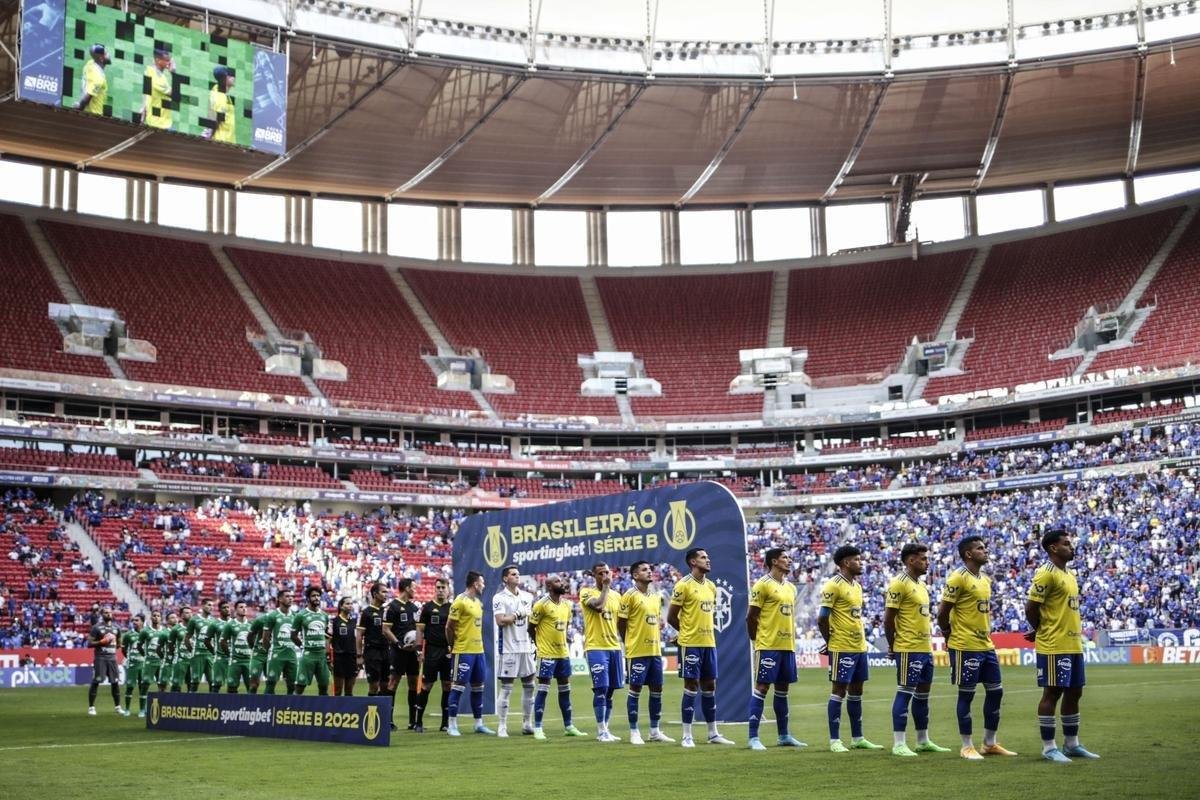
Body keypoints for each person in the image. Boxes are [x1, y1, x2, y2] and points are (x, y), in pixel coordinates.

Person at [937, 535, 1017, 760]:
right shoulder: (957, 578)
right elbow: (942, 613)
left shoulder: (985, 579)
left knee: (996, 691)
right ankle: (966, 746)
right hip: (964, 646)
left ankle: (989, 743)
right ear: (968, 554)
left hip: (986, 645)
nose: (986, 551)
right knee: (967, 695)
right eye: (981, 548)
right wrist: (948, 635)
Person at [1025, 529, 1100, 762]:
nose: (1071, 546)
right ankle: (1049, 748)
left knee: (1075, 692)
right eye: (1066, 544)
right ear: (1053, 548)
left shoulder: (1069, 574)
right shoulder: (1045, 573)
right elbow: (1031, 607)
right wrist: (1040, 629)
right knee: (1052, 692)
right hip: (1054, 644)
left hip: (1073, 643)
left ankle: (1072, 744)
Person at [883, 543, 951, 757]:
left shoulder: (921, 585)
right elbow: (888, 618)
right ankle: (899, 743)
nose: (927, 562)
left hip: (924, 648)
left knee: (923, 696)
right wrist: (892, 645)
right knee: (905, 693)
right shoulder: (898, 584)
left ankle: (923, 740)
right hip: (907, 648)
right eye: (922, 559)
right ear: (911, 560)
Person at [818, 545, 882, 752]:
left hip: (859, 646)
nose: (860, 562)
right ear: (846, 563)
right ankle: (835, 740)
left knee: (857, 691)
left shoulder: (856, 586)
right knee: (839, 691)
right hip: (841, 646)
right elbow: (822, 618)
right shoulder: (833, 585)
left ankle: (857, 738)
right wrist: (830, 642)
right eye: (857, 559)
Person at [667, 547, 734, 747]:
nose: (708, 560)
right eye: (704, 557)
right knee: (691, 686)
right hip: (691, 644)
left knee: (710, 686)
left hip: (709, 643)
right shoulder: (683, 585)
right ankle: (687, 735)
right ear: (693, 562)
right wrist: (685, 633)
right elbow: (671, 617)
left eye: (708, 557)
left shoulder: (712, 587)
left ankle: (713, 733)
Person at [746, 548, 805, 750]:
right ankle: (753, 737)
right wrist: (758, 641)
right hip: (768, 645)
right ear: (774, 561)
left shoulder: (791, 587)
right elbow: (751, 616)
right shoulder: (762, 585)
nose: (789, 560)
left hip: (787, 646)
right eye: (785, 558)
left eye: (789, 557)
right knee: (762, 687)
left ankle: (784, 735)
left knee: (783, 690)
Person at [618, 560, 673, 745]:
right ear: (635, 575)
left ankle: (654, 731)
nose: (649, 571)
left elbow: (655, 621)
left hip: (655, 650)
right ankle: (634, 731)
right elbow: (622, 623)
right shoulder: (629, 596)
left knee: (657, 689)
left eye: (650, 569)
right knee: (635, 689)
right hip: (637, 651)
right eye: (644, 569)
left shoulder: (656, 596)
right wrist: (630, 642)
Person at [529, 574, 586, 740]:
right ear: (548, 586)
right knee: (543, 690)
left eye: (561, 581)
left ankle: (569, 726)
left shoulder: (567, 605)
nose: (561, 583)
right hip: (546, 653)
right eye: (557, 581)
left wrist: (565, 637)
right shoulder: (541, 605)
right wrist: (538, 645)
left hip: (563, 654)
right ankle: (538, 727)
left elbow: (566, 626)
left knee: (565, 690)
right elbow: (531, 628)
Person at [445, 571, 495, 736]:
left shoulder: (478, 602)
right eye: (482, 582)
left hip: (478, 652)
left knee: (478, 688)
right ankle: (452, 725)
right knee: (458, 687)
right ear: (475, 584)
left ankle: (478, 724)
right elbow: (449, 627)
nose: (484, 585)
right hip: (463, 651)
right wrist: (453, 645)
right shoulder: (460, 601)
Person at [580, 561, 624, 742]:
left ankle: (606, 728)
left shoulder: (617, 596)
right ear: (594, 576)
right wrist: (605, 588)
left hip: (614, 647)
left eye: (608, 572)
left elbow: (621, 622)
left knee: (611, 690)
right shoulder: (586, 592)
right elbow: (598, 606)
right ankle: (600, 731)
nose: (606, 576)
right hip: (596, 647)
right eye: (601, 573)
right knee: (601, 688)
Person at [492, 565, 535, 737]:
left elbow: (531, 621)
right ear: (505, 578)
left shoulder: (527, 596)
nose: (517, 576)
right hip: (509, 648)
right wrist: (518, 613)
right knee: (507, 687)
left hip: (526, 647)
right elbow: (501, 621)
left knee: (530, 686)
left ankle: (527, 723)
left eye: (518, 574)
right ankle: (502, 726)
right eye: (513, 574)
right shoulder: (499, 597)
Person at [384, 578, 422, 729]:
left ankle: (412, 721)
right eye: (413, 588)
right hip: (398, 651)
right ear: (406, 588)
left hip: (412, 653)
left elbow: (418, 630)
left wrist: (418, 647)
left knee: (413, 683)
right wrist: (398, 643)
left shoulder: (414, 607)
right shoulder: (392, 606)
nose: (415, 590)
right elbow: (385, 629)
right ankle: (388, 721)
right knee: (393, 682)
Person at [416, 578, 452, 732]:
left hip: (448, 651)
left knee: (447, 685)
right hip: (432, 651)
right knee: (427, 685)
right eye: (438, 587)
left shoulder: (452, 608)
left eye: (443, 587)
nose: (440, 590)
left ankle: (445, 723)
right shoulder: (428, 608)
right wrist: (419, 649)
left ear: (448, 589)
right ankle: (418, 722)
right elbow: (420, 630)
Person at [251, 589, 298, 695]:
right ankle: (266, 708)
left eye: (292, 596)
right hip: (276, 654)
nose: (290, 598)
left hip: (291, 655)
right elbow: (265, 637)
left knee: (292, 685)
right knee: (271, 683)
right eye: (287, 596)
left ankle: (289, 709)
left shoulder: (295, 616)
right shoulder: (272, 616)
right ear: (280, 599)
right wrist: (271, 650)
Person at [292, 586, 331, 696]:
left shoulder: (324, 615)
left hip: (321, 655)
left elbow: (327, 636)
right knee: (300, 686)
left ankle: (322, 711)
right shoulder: (301, 615)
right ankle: (293, 709)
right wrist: (302, 645)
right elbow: (293, 635)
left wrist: (327, 653)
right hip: (308, 655)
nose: (316, 598)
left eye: (318, 596)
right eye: (313, 596)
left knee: (324, 687)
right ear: (308, 598)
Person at [86, 605, 122, 716]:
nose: (108, 614)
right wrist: (101, 642)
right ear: (102, 615)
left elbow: (119, 643)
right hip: (100, 658)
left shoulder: (117, 628)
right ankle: (91, 707)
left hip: (112, 658)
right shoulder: (96, 627)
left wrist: (111, 647)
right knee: (96, 681)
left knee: (115, 682)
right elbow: (89, 643)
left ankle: (118, 707)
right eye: (106, 612)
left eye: (109, 612)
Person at [357, 581, 389, 699]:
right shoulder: (367, 612)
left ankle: (382, 715)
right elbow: (359, 634)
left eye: (387, 592)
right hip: (372, 652)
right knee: (374, 685)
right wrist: (359, 655)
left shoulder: (387, 611)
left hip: (386, 651)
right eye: (383, 592)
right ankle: (371, 715)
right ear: (375, 594)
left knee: (385, 685)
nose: (386, 594)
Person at [185, 598, 218, 692]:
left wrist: (214, 652)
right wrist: (192, 651)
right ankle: (192, 704)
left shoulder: (214, 621)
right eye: (209, 605)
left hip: (210, 655)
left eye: (212, 605)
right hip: (198, 655)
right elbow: (187, 638)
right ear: (203, 606)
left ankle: (212, 704)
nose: (211, 607)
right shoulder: (194, 620)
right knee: (195, 681)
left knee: (212, 681)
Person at [220, 601, 254, 693]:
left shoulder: (251, 625)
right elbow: (222, 641)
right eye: (241, 607)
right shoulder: (230, 625)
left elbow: (254, 642)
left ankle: (250, 707)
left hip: (249, 661)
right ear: (235, 610)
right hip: (235, 661)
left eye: (245, 607)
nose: (244, 609)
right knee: (231, 688)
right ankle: (230, 707)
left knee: (252, 688)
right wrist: (229, 654)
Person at [139, 47, 174, 130]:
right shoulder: (158, 78)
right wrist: (174, 74)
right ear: (158, 60)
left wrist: (143, 110)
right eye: (166, 60)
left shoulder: (149, 71)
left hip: (154, 121)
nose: (169, 62)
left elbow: (146, 93)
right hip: (160, 124)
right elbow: (175, 95)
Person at [119, 614, 146, 718]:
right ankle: (127, 709)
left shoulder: (147, 633)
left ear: (142, 622)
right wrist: (131, 658)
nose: (134, 622)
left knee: (143, 687)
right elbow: (124, 650)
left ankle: (143, 710)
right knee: (130, 686)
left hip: (143, 665)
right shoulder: (128, 635)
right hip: (132, 665)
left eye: (137, 620)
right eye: (133, 620)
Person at [330, 596, 358, 697]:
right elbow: (328, 640)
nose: (350, 606)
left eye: (351, 603)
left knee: (349, 690)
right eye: (347, 603)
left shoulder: (355, 622)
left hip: (352, 658)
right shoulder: (334, 622)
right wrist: (329, 658)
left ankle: (348, 712)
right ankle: (336, 711)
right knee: (337, 690)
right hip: (339, 658)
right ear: (341, 606)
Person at [205, 600, 232, 692]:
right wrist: (214, 652)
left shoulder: (235, 623)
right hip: (220, 658)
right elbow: (207, 641)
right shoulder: (214, 624)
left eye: (228, 607)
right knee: (216, 684)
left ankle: (231, 705)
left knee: (232, 684)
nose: (227, 609)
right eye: (224, 608)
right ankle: (213, 705)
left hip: (234, 658)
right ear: (219, 610)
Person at [203, 66, 235, 143]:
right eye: (230, 76)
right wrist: (208, 134)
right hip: (223, 141)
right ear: (225, 79)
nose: (233, 77)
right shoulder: (220, 97)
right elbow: (214, 120)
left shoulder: (217, 89)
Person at [140, 610, 166, 699]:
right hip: (150, 661)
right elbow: (139, 645)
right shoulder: (145, 631)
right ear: (151, 617)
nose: (156, 617)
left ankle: (162, 704)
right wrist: (146, 655)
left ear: (161, 618)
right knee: (145, 683)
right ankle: (143, 709)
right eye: (154, 615)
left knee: (162, 684)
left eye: (158, 615)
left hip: (161, 661)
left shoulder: (165, 631)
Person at [76, 44, 108, 115]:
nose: (109, 55)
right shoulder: (98, 78)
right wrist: (78, 107)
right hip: (92, 114)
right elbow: (87, 98)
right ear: (101, 58)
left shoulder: (90, 63)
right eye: (106, 54)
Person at [166, 606, 192, 692]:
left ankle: (191, 704)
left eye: (190, 612)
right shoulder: (176, 629)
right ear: (181, 615)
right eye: (187, 613)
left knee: (191, 685)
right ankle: (173, 704)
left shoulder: (195, 628)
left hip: (192, 661)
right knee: (176, 685)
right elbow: (170, 645)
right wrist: (176, 655)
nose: (190, 614)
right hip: (180, 660)